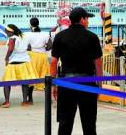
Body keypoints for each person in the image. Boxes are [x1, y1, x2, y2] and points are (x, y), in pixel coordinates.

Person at [50, 7, 103, 135]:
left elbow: (53, 62)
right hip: (87, 83)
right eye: (87, 18)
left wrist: (54, 84)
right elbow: (98, 63)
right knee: (89, 122)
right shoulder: (92, 37)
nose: (88, 21)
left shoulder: (59, 36)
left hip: (66, 83)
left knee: (65, 122)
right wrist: (99, 84)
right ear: (82, 19)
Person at [1, 24, 36, 108]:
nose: (6, 34)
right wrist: (22, 50)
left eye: (6, 32)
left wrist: (6, 58)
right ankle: (24, 101)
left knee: (7, 82)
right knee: (24, 82)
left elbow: (10, 49)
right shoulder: (24, 37)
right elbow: (29, 48)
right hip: (25, 62)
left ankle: (7, 102)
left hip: (14, 62)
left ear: (10, 32)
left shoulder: (12, 38)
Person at [25, 17, 51, 90]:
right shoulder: (45, 34)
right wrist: (43, 49)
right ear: (38, 24)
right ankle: (42, 84)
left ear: (30, 25)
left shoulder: (26, 34)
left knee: (32, 70)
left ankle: (33, 85)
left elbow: (27, 47)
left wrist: (33, 49)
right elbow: (50, 46)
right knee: (43, 70)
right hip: (42, 55)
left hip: (32, 55)